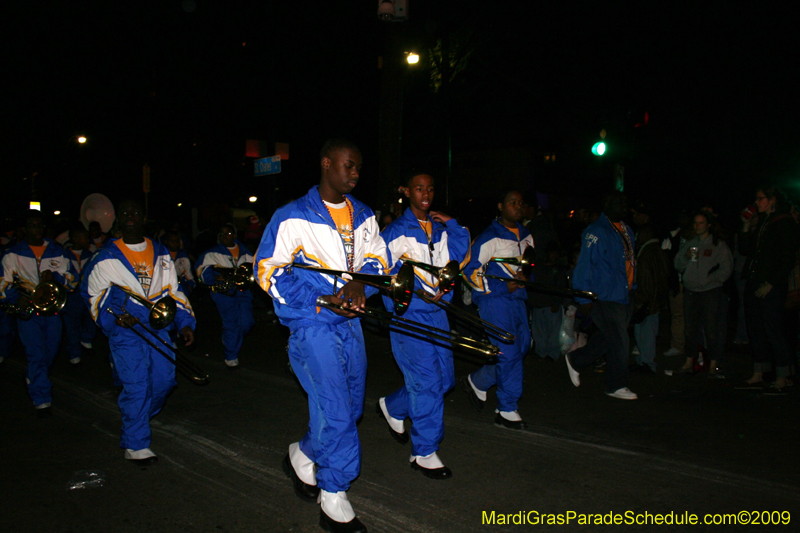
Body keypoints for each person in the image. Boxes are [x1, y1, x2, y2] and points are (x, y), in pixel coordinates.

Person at [255, 139, 387, 533]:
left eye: (359, 167)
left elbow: (379, 258)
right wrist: (322, 298)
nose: (355, 173)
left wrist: (362, 285)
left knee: (349, 408)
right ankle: (334, 495)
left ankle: (302, 454)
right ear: (327, 164)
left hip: (350, 325)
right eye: (348, 165)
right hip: (311, 325)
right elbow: (267, 270)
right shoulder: (292, 215)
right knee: (338, 411)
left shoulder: (364, 215)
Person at [81, 200, 195, 464]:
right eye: (125, 212)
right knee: (137, 386)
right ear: (118, 219)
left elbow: (174, 292)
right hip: (126, 328)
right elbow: (92, 295)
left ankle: (138, 417)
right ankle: (136, 443)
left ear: (143, 217)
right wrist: (113, 318)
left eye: (134, 211)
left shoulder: (161, 251)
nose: (130, 215)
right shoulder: (105, 256)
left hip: (158, 326)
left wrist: (185, 322)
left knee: (165, 381)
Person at [377, 171, 470, 480]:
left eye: (430, 188)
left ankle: (393, 405)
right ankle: (424, 452)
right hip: (410, 318)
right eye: (419, 188)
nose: (425, 194)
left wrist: (452, 222)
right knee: (428, 382)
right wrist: (414, 301)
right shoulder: (393, 232)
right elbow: (387, 283)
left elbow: (459, 252)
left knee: (444, 380)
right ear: (407, 192)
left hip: (439, 314)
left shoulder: (441, 229)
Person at [461, 190, 533, 429]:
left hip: (517, 299)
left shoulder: (527, 236)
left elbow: (527, 265)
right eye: (512, 202)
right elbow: (469, 268)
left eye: (521, 203)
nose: (518, 207)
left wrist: (524, 277)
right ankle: (507, 408)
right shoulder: (490, 236)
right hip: (495, 301)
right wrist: (501, 286)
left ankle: (479, 381)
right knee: (510, 350)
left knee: (521, 347)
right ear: (500, 207)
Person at [565, 191, 639, 400]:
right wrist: (583, 298)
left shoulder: (626, 231)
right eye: (617, 202)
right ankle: (615, 385)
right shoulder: (596, 231)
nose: (622, 207)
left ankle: (576, 360)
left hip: (624, 294)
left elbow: (630, 262)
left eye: (625, 203)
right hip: (604, 295)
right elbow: (584, 266)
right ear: (606, 204)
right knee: (620, 340)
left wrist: (634, 288)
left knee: (611, 338)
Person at [0, 210, 72, 416]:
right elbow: (3, 285)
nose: (36, 229)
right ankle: (41, 397)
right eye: (32, 225)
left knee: (50, 352)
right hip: (29, 312)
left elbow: (73, 280)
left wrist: (56, 278)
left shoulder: (58, 251)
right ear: (24, 228)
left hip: (53, 311)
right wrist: (17, 296)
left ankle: (35, 375)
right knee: (36, 354)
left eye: (39, 225)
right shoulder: (12, 253)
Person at [736, 186, 799, 395]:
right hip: (754, 280)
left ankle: (782, 375)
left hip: (771, 283)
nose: (757, 203)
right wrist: (745, 226)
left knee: (773, 328)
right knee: (755, 327)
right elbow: (746, 250)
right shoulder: (762, 222)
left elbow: (788, 257)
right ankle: (759, 372)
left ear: (773, 199)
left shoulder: (784, 222)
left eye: (761, 199)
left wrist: (772, 282)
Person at [673, 211, 733, 376]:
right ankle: (689, 361)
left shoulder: (717, 245)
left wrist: (710, 279)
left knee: (711, 329)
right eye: (696, 223)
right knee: (690, 329)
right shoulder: (691, 244)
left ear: (709, 225)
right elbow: (678, 265)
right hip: (691, 290)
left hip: (709, 291)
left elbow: (727, 267)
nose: (697, 226)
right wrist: (685, 257)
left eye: (701, 223)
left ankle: (713, 364)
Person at [195, 223, 255, 368]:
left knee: (247, 323)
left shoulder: (246, 252)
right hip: (224, 293)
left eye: (228, 233)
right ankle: (231, 355)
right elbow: (199, 270)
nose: (224, 236)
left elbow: (254, 271)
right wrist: (214, 278)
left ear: (234, 235)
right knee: (231, 324)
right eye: (221, 234)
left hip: (243, 292)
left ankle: (229, 339)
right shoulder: (212, 253)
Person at [630, 223, 670, 374]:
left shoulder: (648, 252)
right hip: (653, 300)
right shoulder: (656, 250)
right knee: (645, 333)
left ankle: (647, 363)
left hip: (648, 302)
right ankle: (644, 362)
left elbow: (646, 280)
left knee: (645, 334)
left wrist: (641, 300)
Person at [62, 226, 98, 364]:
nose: (88, 240)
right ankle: (74, 352)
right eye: (84, 237)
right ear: (75, 239)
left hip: (87, 293)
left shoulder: (89, 255)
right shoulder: (63, 255)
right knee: (72, 325)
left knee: (92, 318)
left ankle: (86, 338)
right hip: (71, 295)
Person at [163, 230, 195, 297]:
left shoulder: (183, 256)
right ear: (166, 241)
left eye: (177, 241)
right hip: (165, 288)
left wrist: (190, 287)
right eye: (172, 241)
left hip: (181, 288)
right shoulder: (162, 256)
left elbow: (188, 275)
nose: (175, 244)